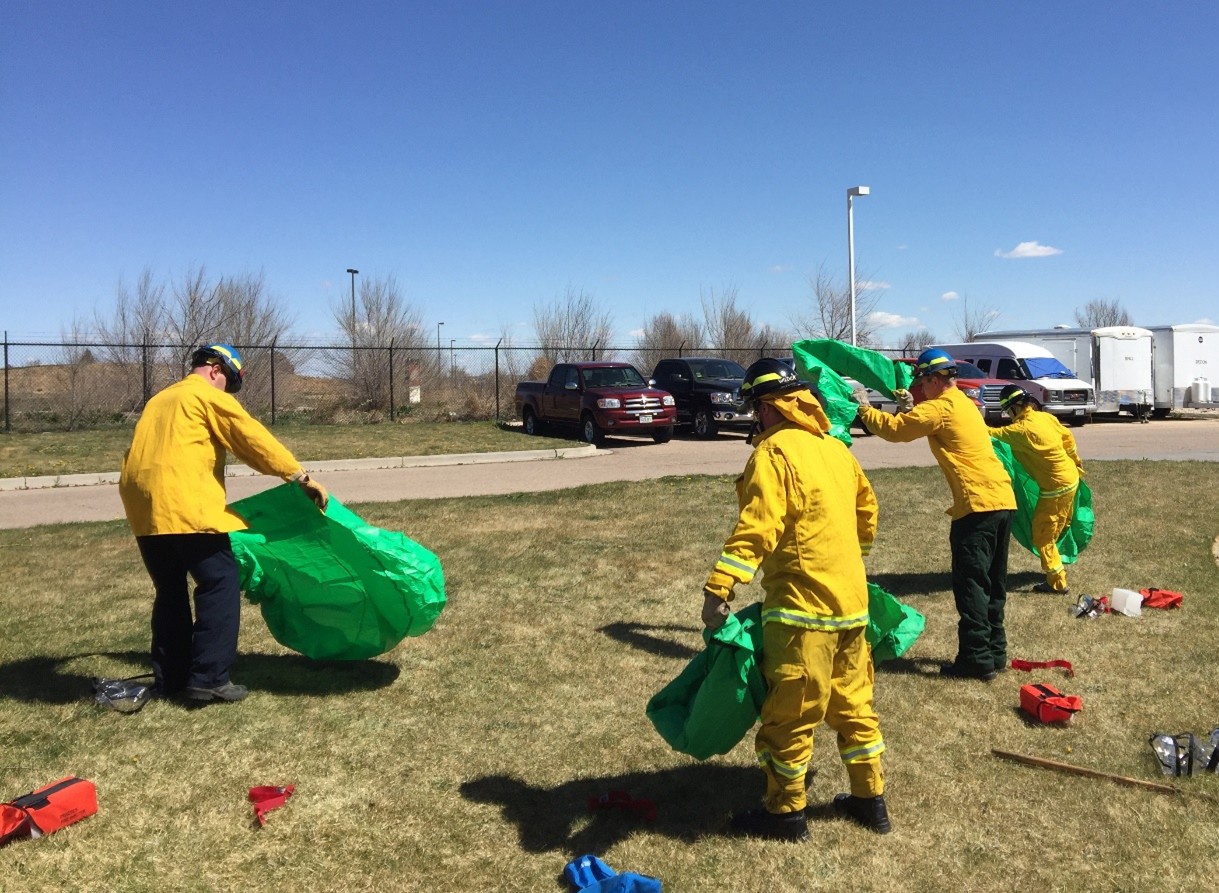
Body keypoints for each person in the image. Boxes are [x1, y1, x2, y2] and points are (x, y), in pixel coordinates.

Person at [702, 358, 890, 841]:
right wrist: (850, 561)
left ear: (768, 407)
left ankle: (785, 815)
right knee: (854, 707)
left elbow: (758, 526)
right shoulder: (835, 448)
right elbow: (867, 509)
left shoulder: (774, 453)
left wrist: (720, 586)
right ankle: (871, 802)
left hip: (801, 611)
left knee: (792, 714)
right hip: (851, 607)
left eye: (755, 409)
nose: (754, 419)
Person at [119, 343, 329, 704]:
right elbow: (250, 438)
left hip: (145, 512)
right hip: (186, 506)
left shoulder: (160, 400)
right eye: (228, 382)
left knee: (169, 593)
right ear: (216, 368)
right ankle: (208, 679)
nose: (227, 392)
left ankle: (170, 680)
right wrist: (298, 476)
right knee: (219, 583)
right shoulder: (203, 395)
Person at [855, 348, 1017, 682]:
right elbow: (925, 421)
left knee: (971, 584)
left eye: (922, 382)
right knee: (993, 584)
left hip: (977, 507)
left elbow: (897, 431)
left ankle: (976, 660)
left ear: (933, 379)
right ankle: (995, 652)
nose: (919, 388)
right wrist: (909, 409)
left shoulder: (940, 407)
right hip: (1002, 501)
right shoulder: (963, 403)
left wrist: (865, 410)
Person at [988, 384, 1083, 593]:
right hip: (1071, 478)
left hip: (1055, 489)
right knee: (1058, 526)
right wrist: (1075, 460)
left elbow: (990, 434)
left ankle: (1057, 582)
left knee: (1043, 536)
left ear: (1012, 408)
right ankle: (1057, 561)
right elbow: (1067, 438)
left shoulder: (1020, 431)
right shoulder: (1044, 418)